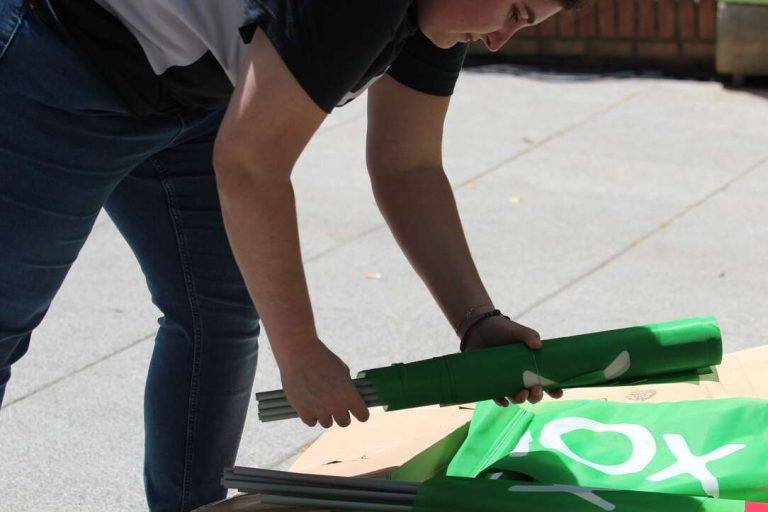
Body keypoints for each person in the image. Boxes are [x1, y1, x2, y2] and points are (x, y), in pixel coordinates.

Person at [0, 0, 580, 509]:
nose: (502, 38)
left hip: (193, 90)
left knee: (219, 317)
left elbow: (409, 166)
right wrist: (299, 351)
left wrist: (475, 319)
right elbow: (250, 165)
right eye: (516, 12)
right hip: (60, 52)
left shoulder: (437, 18)